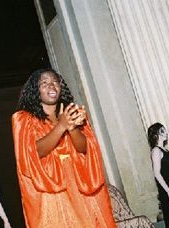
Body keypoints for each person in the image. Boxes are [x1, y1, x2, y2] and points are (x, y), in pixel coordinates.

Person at [12, 68, 116, 227]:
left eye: (55, 82)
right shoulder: (24, 119)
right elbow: (33, 152)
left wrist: (71, 127)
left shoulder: (73, 112)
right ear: (35, 89)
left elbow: (84, 148)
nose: (51, 86)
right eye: (44, 83)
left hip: (79, 182)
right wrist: (61, 126)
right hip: (51, 188)